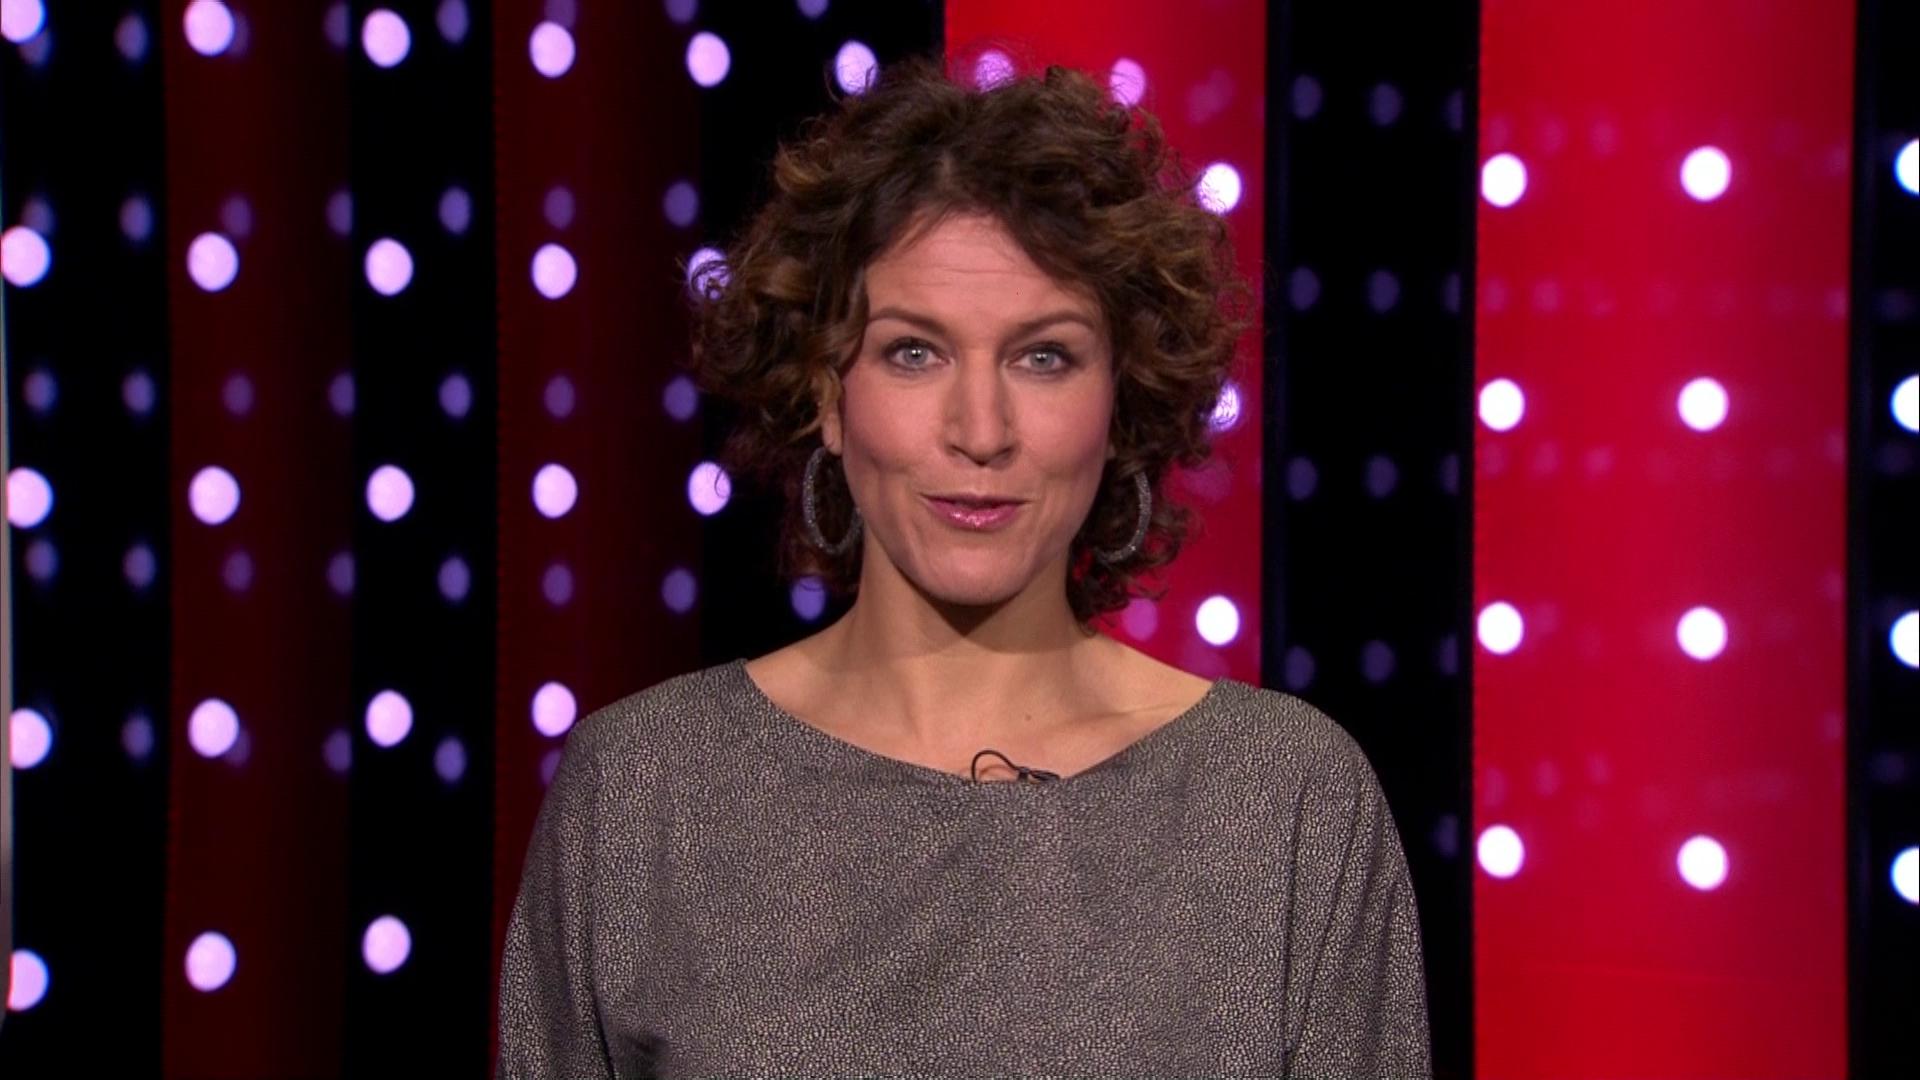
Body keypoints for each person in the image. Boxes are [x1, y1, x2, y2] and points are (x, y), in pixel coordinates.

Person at [497, 54, 1429, 1078]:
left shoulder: (1284, 802)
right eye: (914, 352)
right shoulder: (645, 792)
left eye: (1044, 357)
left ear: (1121, 401)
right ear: (826, 391)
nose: (980, 430)